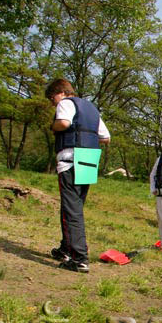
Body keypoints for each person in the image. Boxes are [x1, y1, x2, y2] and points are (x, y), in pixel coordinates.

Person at [46, 78, 110, 273]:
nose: (52, 103)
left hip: (71, 159)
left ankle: (79, 258)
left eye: (51, 98)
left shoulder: (66, 104)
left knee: (71, 209)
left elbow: (64, 123)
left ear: (61, 92)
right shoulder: (91, 108)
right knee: (74, 207)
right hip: (89, 159)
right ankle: (66, 248)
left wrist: (54, 126)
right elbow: (106, 137)